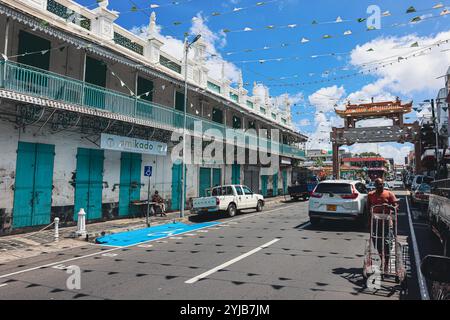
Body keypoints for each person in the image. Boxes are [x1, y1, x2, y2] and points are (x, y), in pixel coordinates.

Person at [367, 178, 399, 272]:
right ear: (375, 185)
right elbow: (368, 209)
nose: (379, 186)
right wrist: (368, 223)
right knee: (377, 244)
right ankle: (382, 260)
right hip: (375, 224)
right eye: (377, 184)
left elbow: (396, 206)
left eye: (381, 184)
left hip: (387, 223)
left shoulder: (389, 194)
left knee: (387, 244)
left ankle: (386, 264)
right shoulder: (370, 195)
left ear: (383, 184)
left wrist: (391, 207)